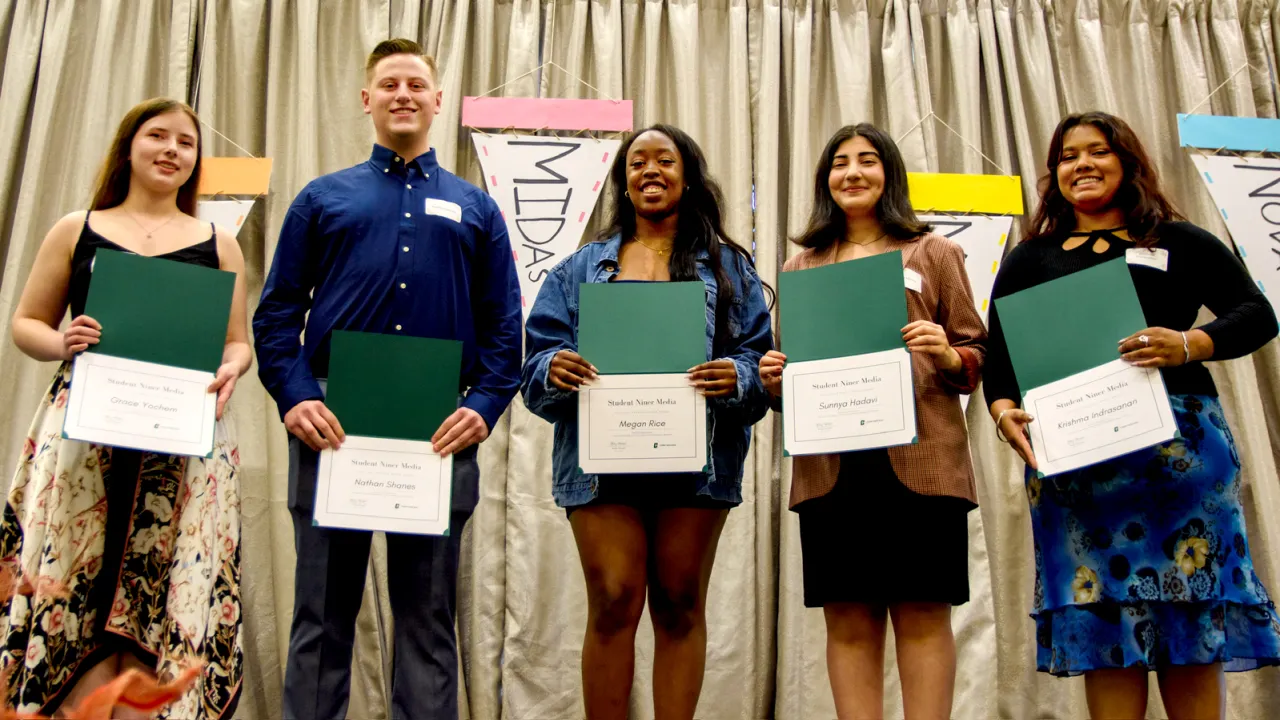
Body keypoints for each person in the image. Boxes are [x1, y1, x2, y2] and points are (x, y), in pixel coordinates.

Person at [253, 39, 521, 720]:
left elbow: (503, 330)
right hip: (329, 426)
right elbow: (278, 313)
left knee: (429, 622)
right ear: (366, 100)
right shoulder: (321, 199)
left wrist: (484, 407)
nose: (404, 94)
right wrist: (295, 397)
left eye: (417, 84)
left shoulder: (478, 209)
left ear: (437, 101)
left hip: (436, 433)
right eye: (389, 84)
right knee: (320, 617)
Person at [985, 111, 1280, 719]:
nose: (1082, 164)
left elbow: (1257, 313)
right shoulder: (1028, 259)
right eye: (1068, 156)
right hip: (1077, 471)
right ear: (1054, 173)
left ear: (1128, 162)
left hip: (1181, 462)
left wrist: (1191, 342)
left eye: (1098, 151)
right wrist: (1001, 410)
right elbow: (1002, 360)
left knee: (1189, 615)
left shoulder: (1179, 240)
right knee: (1105, 630)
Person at [0, 98, 249, 719]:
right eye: (157, 136)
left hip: (182, 446)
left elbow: (237, 341)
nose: (171, 150)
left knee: (160, 599)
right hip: (84, 442)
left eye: (185, 142)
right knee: (75, 592)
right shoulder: (75, 227)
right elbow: (25, 322)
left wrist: (233, 367)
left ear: (197, 160)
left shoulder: (219, 244)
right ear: (128, 146)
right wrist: (61, 341)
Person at [520, 124, 773, 719]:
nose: (650, 170)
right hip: (603, 464)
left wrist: (735, 376)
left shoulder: (729, 266)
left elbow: (761, 365)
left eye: (664, 160)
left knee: (681, 603)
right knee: (611, 600)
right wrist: (555, 367)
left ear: (688, 177)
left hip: (697, 462)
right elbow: (531, 368)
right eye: (637, 162)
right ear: (623, 181)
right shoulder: (577, 271)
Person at [758, 123, 985, 720]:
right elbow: (791, 376)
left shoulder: (935, 251)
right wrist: (776, 378)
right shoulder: (801, 265)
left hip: (922, 462)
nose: (852, 173)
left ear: (890, 174)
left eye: (867, 161)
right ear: (824, 179)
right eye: (839, 163)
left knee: (923, 615)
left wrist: (946, 352)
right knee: (849, 620)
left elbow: (974, 355)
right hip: (832, 469)